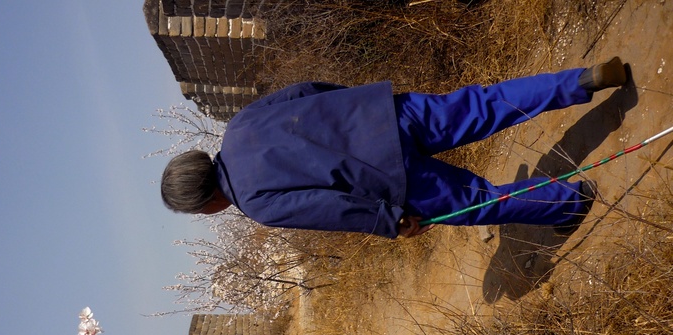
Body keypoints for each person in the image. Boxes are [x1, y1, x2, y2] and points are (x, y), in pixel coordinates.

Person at [161, 58, 628, 238]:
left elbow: (329, 208)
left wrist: (390, 221)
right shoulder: (239, 125)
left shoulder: (254, 202)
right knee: (485, 105)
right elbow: (305, 90)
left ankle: (570, 202)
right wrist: (359, 104)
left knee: (478, 202)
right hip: (385, 114)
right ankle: (583, 80)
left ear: (205, 205)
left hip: (389, 174)